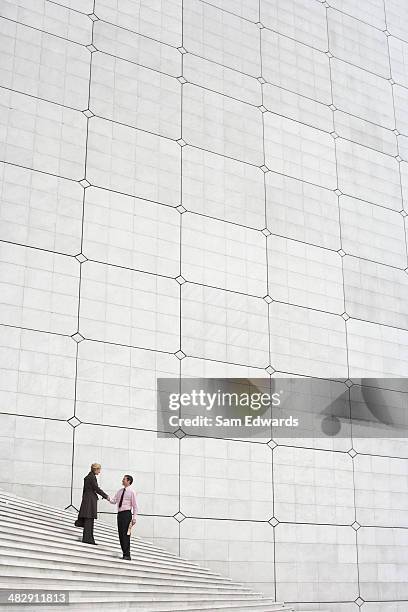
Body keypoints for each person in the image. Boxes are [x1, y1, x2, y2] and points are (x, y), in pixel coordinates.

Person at [76, 463, 109, 545]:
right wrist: (106, 496)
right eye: (99, 470)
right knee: (89, 520)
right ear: (96, 469)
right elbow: (96, 488)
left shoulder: (89, 477)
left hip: (87, 500)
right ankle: (88, 539)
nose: (100, 472)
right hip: (90, 501)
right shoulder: (92, 477)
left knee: (89, 519)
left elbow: (85, 490)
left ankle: (88, 538)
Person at [108, 474, 138, 560]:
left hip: (127, 515)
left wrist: (134, 518)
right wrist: (107, 497)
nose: (122, 480)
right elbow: (114, 501)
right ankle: (124, 553)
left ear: (128, 481)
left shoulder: (132, 492)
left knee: (126, 534)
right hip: (120, 514)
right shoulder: (119, 491)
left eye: (124, 479)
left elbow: (135, 506)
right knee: (121, 535)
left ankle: (127, 555)